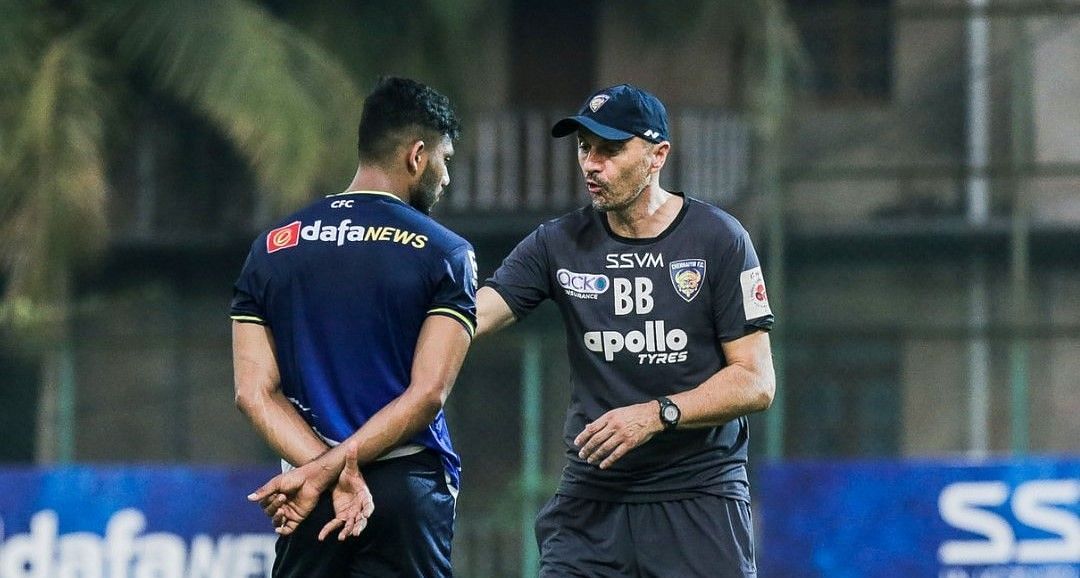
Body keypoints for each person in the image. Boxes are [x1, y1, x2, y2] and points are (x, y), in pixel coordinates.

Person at [475, 84, 776, 577]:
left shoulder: (720, 240)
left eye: (610, 150)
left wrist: (657, 414)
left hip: (697, 495)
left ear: (659, 155)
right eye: (583, 148)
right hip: (594, 497)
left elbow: (756, 381)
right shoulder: (557, 243)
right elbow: (473, 316)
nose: (592, 164)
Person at [231, 76, 477, 578]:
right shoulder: (446, 252)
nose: (446, 177)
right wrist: (339, 470)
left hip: (309, 487)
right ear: (417, 156)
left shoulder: (271, 248)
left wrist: (324, 471)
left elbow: (253, 393)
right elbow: (429, 392)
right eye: (445, 159)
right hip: (404, 485)